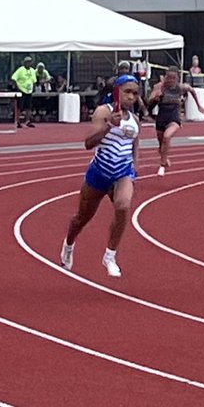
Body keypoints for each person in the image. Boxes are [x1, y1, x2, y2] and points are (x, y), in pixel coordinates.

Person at [59, 74, 141, 280]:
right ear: (117, 92)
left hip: (123, 172)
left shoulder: (135, 120)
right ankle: (69, 244)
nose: (132, 97)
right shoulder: (103, 112)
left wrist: (134, 169)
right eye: (127, 92)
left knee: (123, 207)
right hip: (99, 172)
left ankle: (109, 256)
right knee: (81, 218)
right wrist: (108, 126)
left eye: (135, 93)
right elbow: (88, 143)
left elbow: (135, 146)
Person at [146, 66, 204, 176]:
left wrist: (198, 106)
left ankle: (162, 166)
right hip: (161, 118)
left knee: (167, 137)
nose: (170, 80)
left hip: (174, 118)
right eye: (168, 77)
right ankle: (165, 157)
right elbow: (149, 101)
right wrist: (155, 98)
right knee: (161, 146)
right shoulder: (159, 87)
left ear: (177, 78)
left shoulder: (181, 88)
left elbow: (192, 90)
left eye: (173, 78)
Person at [11, 56, 37, 127]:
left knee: (28, 107)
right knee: (19, 107)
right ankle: (17, 122)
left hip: (29, 91)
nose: (28, 63)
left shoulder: (32, 70)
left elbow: (34, 80)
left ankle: (28, 121)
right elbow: (14, 78)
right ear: (24, 63)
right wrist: (18, 88)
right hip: (22, 90)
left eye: (30, 62)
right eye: (27, 62)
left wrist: (33, 88)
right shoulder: (20, 70)